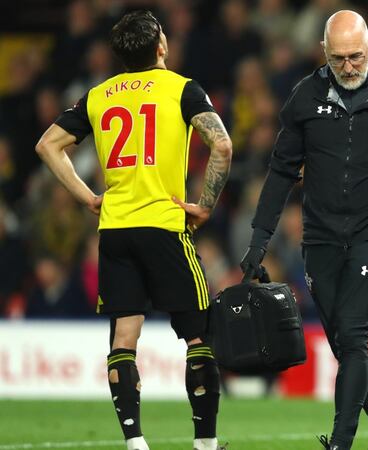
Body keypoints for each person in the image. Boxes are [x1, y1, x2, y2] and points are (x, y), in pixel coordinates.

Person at [35, 11, 232, 450]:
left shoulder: (99, 95)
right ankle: (205, 444)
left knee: (124, 338)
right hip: (164, 224)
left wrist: (88, 196)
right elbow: (221, 143)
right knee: (199, 335)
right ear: (160, 46)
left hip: (116, 230)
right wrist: (206, 205)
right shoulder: (182, 88)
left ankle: (135, 443)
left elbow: (48, 144)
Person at [238, 10, 368, 450]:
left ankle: (341, 442)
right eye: (338, 58)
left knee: (354, 335)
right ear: (324, 52)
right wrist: (259, 240)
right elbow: (281, 171)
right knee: (345, 344)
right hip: (320, 234)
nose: (348, 67)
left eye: (356, 56)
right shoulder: (305, 96)